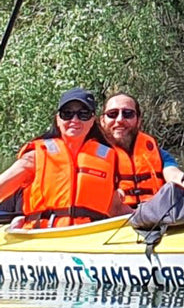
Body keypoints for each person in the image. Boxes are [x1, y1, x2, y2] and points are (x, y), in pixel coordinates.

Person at [0, 88, 128, 228]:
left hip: (90, 237)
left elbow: (116, 209)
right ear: (58, 119)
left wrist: (148, 215)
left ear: (92, 120)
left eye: (83, 114)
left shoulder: (107, 158)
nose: (75, 120)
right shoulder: (36, 156)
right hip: (44, 237)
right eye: (67, 114)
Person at [100, 93, 184, 209]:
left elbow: (174, 174)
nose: (120, 119)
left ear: (139, 121)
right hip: (115, 220)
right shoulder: (93, 156)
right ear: (102, 121)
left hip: (155, 215)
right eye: (112, 114)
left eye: (128, 114)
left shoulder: (159, 154)